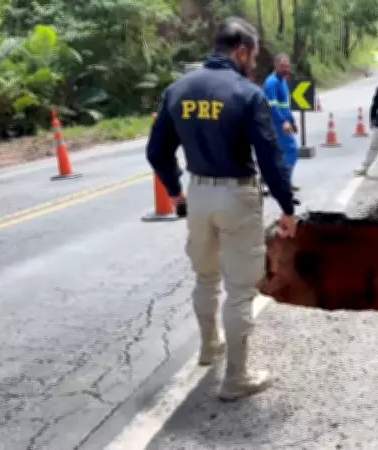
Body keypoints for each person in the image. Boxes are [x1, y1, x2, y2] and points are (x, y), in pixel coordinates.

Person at [146, 17, 297, 402]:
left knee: (205, 278)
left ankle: (209, 347)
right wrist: (287, 208)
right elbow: (270, 158)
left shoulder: (177, 90)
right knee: (241, 289)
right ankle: (236, 377)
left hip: (197, 195)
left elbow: (157, 151)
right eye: (255, 55)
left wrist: (176, 193)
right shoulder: (247, 94)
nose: (255, 63)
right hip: (237, 196)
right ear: (242, 51)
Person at [262, 53, 300, 193]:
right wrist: (284, 121)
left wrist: (292, 120)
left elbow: (285, 105)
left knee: (279, 153)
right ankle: (283, 182)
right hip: (276, 123)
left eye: (287, 66)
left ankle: (282, 182)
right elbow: (273, 107)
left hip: (284, 121)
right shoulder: (272, 82)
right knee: (291, 150)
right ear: (275, 65)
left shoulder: (283, 81)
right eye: (282, 66)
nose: (285, 69)